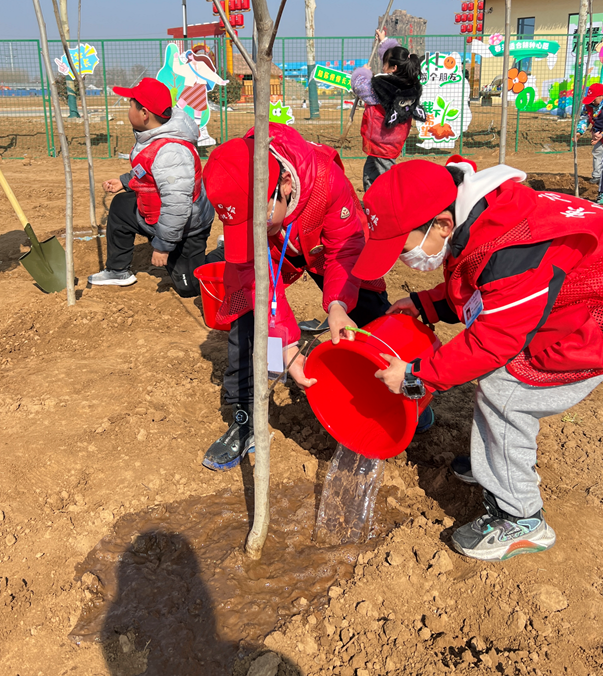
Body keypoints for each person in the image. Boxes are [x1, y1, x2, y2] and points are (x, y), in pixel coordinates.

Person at [353, 157, 603, 561]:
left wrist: (415, 378)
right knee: (498, 380)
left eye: (403, 246)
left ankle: (521, 518)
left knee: (505, 393)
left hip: (591, 321)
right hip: (566, 303)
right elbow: (475, 283)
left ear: (442, 224)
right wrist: (425, 304)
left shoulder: (513, 246)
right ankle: (496, 465)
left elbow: (494, 341)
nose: (404, 258)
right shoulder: (482, 218)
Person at [200, 124, 435, 472]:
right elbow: (256, 277)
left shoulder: (325, 180)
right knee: (247, 322)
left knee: (368, 307)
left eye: (260, 219)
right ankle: (245, 418)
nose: (255, 229)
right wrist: (284, 345)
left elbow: (345, 248)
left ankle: (405, 388)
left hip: (325, 246)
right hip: (276, 252)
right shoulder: (238, 178)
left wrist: (338, 304)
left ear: (285, 186)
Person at [88, 77, 215, 296]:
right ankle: (118, 271)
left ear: (144, 113)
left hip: (186, 227)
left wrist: (162, 247)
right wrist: (125, 181)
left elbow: (177, 206)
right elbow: (148, 168)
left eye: (130, 105)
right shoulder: (152, 133)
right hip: (156, 214)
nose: (128, 110)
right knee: (121, 206)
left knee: (190, 288)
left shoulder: (172, 152)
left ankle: (221, 253)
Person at [351, 29, 425, 191]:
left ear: (393, 68)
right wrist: (384, 42)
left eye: (385, 63)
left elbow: (360, 87)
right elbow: (396, 56)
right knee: (371, 171)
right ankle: (372, 199)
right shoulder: (408, 81)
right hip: (390, 139)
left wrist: (363, 73)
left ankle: (394, 201)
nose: (382, 65)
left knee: (387, 175)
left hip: (382, 140)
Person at [579, 82, 603, 192]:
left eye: (595, 99)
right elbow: (584, 118)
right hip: (598, 133)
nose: (592, 101)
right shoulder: (589, 105)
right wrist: (580, 131)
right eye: (590, 99)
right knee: (597, 152)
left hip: (600, 134)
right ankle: (597, 176)